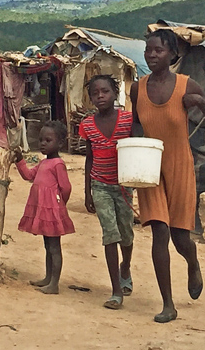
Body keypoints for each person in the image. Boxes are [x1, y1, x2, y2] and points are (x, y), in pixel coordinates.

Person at [130, 28, 205, 323]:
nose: (151, 55)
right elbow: (135, 125)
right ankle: (168, 304)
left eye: (158, 50)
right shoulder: (137, 88)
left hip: (179, 164)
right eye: (148, 50)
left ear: (172, 53)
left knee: (181, 237)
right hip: (149, 167)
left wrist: (200, 102)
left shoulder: (185, 85)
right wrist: (129, 160)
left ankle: (192, 262)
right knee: (159, 232)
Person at [80, 75, 135, 310]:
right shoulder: (87, 125)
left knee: (127, 235)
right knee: (110, 235)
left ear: (115, 93)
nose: (100, 96)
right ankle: (115, 291)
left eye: (105, 91)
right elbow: (89, 158)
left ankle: (126, 268)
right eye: (95, 93)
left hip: (124, 186)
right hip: (100, 185)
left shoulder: (128, 120)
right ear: (90, 98)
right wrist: (88, 192)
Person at [14, 121, 74, 294]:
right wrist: (19, 160)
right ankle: (48, 278)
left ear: (60, 143)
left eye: (48, 140)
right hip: (45, 212)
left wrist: (58, 206)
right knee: (48, 246)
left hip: (52, 212)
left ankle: (54, 284)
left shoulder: (58, 164)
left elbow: (66, 188)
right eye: (41, 140)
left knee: (54, 247)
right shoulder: (43, 163)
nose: (43, 144)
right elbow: (28, 175)